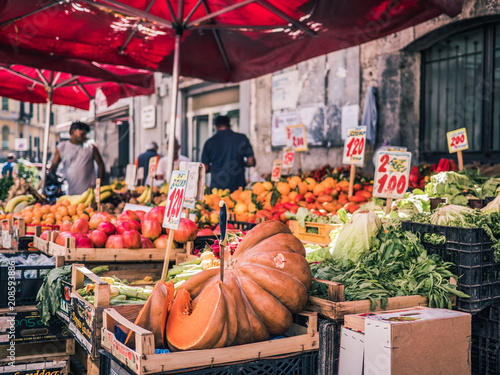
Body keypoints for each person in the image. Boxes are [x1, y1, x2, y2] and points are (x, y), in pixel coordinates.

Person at [201, 115, 256, 192]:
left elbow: (205, 168)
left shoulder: (209, 142)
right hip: (238, 189)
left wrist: (216, 167)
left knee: (216, 204)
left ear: (216, 127)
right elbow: (251, 162)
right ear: (230, 125)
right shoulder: (242, 138)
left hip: (217, 189)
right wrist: (240, 163)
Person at [49, 121, 105, 195]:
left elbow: (100, 164)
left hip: (90, 193)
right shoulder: (62, 147)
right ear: (73, 132)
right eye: (82, 134)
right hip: (70, 193)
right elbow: (53, 167)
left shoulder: (91, 147)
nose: (85, 136)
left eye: (85, 134)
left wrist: (99, 183)